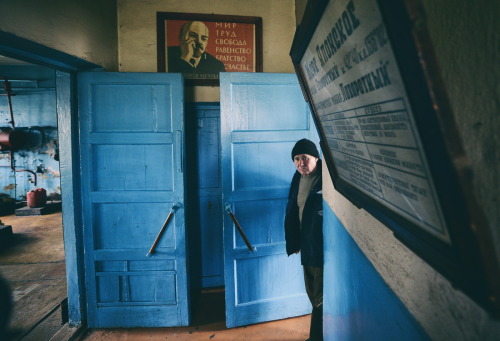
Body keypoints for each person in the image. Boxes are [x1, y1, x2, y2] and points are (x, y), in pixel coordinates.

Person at [284, 138, 323, 341]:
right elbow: (292, 211)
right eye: (297, 159)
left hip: (320, 246)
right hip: (306, 244)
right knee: (312, 291)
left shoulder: (326, 178)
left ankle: (317, 336)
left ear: (316, 158)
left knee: (319, 295)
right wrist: (295, 242)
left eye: (305, 158)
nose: (301, 163)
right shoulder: (297, 178)